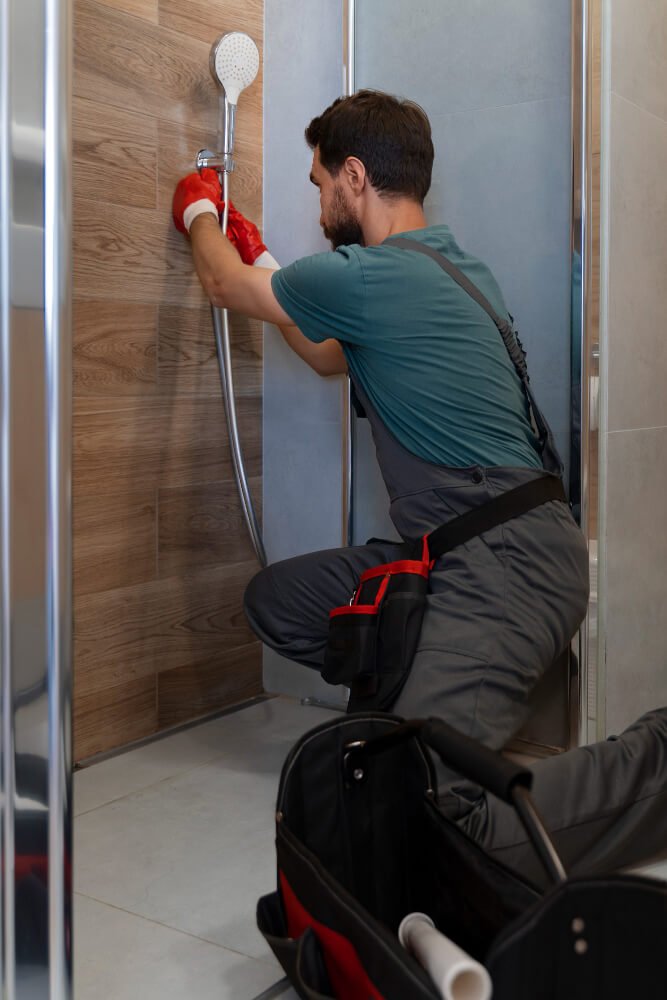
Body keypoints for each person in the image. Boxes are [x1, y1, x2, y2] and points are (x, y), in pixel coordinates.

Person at [173, 90, 666, 886]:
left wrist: (199, 210)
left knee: (425, 813)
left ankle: (657, 764)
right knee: (279, 601)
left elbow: (227, 289)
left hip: (505, 565)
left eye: (318, 181)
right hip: (465, 549)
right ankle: (412, 711)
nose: (318, 197)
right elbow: (329, 355)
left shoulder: (371, 276)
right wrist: (261, 256)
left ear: (354, 177)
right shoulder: (449, 268)